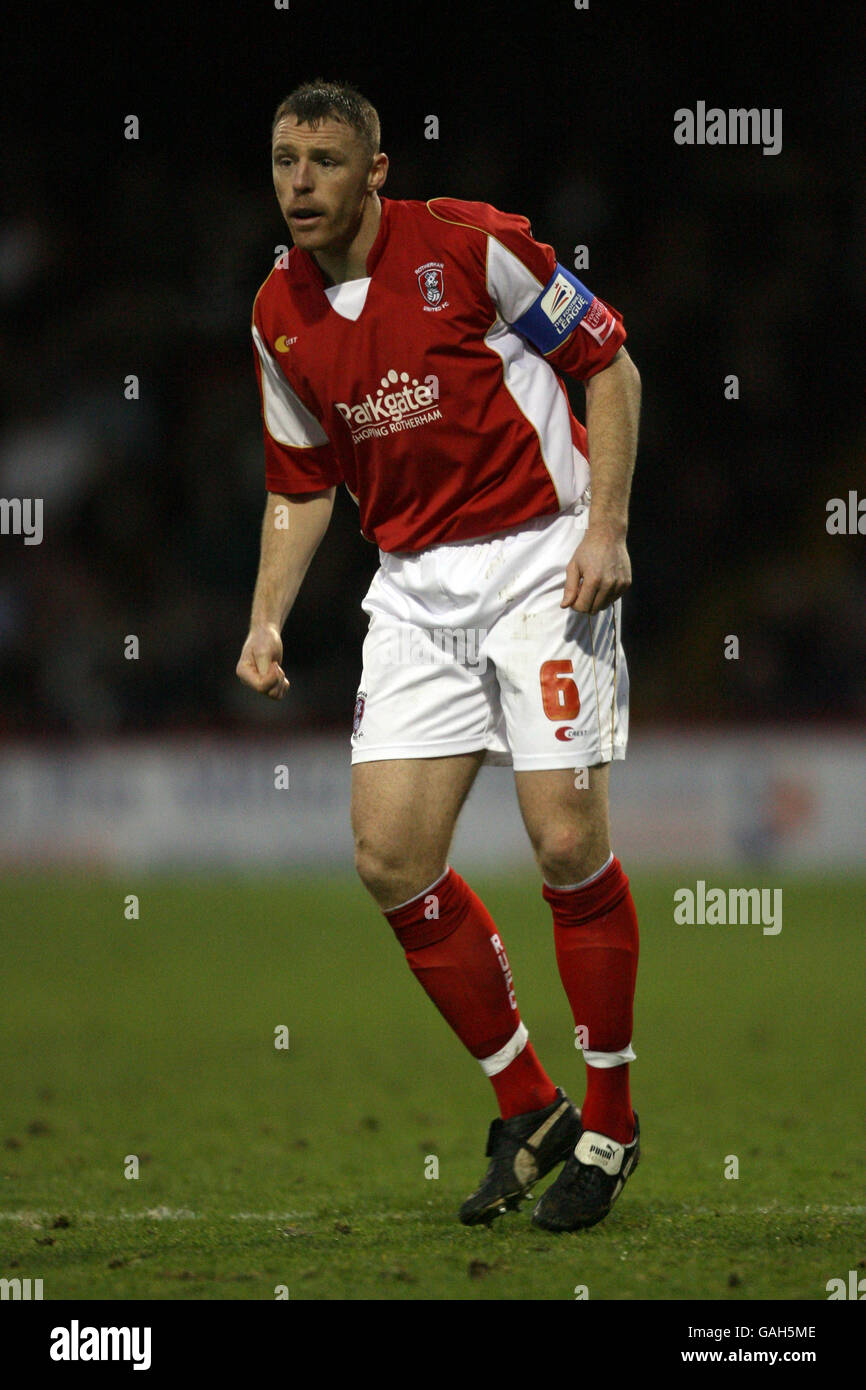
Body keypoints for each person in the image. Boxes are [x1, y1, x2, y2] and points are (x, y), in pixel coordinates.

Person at [237, 79, 642, 1232]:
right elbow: (299, 479)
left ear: (375, 170)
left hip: (539, 556)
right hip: (414, 588)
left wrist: (605, 525)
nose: (298, 182)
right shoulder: (275, 310)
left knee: (564, 837)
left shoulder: (468, 245)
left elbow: (610, 367)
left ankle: (609, 1124)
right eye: (281, 160)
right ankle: (528, 1104)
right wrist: (266, 616)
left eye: (322, 159)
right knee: (388, 856)